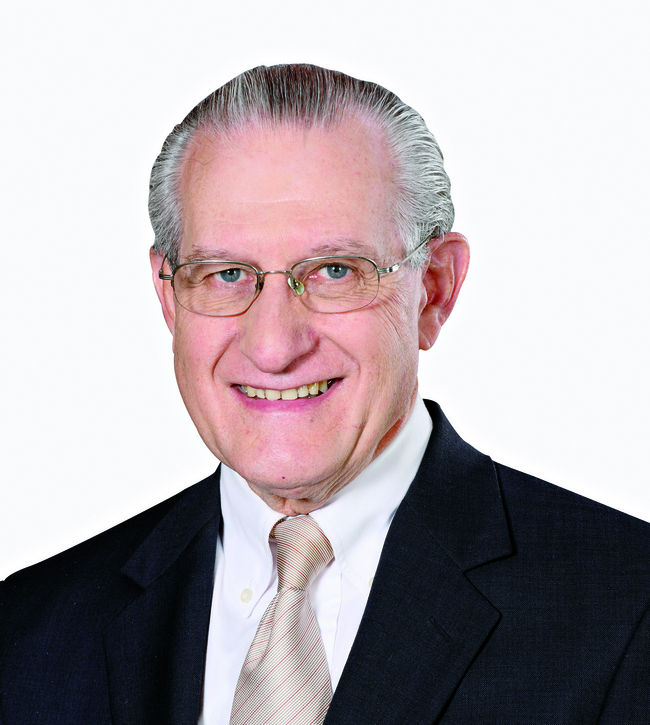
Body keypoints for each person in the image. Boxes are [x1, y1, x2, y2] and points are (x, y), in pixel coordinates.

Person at [1, 64, 649, 725]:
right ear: (169, 297)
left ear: (434, 289)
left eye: (335, 270)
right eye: (226, 274)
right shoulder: (26, 634)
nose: (274, 346)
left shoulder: (627, 610)